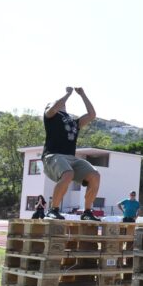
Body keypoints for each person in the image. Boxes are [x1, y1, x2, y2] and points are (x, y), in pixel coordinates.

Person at [41, 87, 101, 221]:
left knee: (95, 175)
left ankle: (87, 212)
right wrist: (68, 93)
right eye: (59, 102)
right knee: (68, 174)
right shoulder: (50, 116)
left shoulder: (74, 122)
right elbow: (55, 106)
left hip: (71, 158)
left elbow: (92, 115)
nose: (63, 103)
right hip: (53, 156)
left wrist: (83, 94)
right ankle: (53, 210)